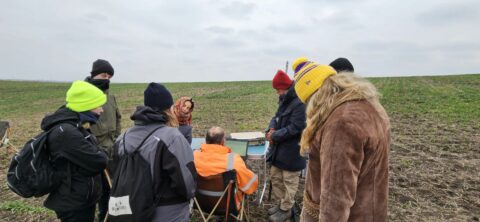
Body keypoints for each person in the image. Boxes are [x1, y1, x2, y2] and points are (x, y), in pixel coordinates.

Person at [291, 57, 390, 221]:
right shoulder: (370, 107)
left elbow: (335, 199)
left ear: (316, 95)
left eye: (308, 102)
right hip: (371, 211)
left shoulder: (340, 123)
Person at [114, 82, 197, 222]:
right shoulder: (172, 137)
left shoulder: (122, 138)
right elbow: (187, 184)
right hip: (167, 213)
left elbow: (115, 173)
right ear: (171, 108)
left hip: (129, 210)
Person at [42, 81, 108, 222]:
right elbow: (99, 161)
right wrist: (99, 153)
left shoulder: (75, 125)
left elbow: (94, 154)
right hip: (73, 203)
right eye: (98, 105)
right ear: (86, 105)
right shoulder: (67, 132)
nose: (101, 110)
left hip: (81, 198)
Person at [265, 70, 306, 222]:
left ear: (285, 87)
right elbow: (275, 117)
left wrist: (274, 135)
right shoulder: (284, 100)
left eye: (278, 90)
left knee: (289, 180)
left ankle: (287, 208)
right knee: (276, 178)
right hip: (278, 150)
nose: (277, 93)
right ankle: (281, 205)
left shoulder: (300, 103)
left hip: (292, 151)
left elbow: (295, 128)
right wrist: (271, 129)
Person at [85, 58, 122, 222]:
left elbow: (118, 118)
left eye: (109, 76)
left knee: (112, 190)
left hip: (112, 151)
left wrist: (116, 138)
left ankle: (109, 217)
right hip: (93, 153)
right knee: (96, 192)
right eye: (103, 75)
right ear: (93, 75)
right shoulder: (84, 95)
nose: (106, 79)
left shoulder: (111, 97)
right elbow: (80, 127)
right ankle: (102, 217)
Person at [193, 126, 258, 209]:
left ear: (206, 141)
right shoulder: (233, 159)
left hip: (199, 203)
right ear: (223, 141)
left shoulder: (194, 156)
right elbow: (249, 186)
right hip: (228, 206)